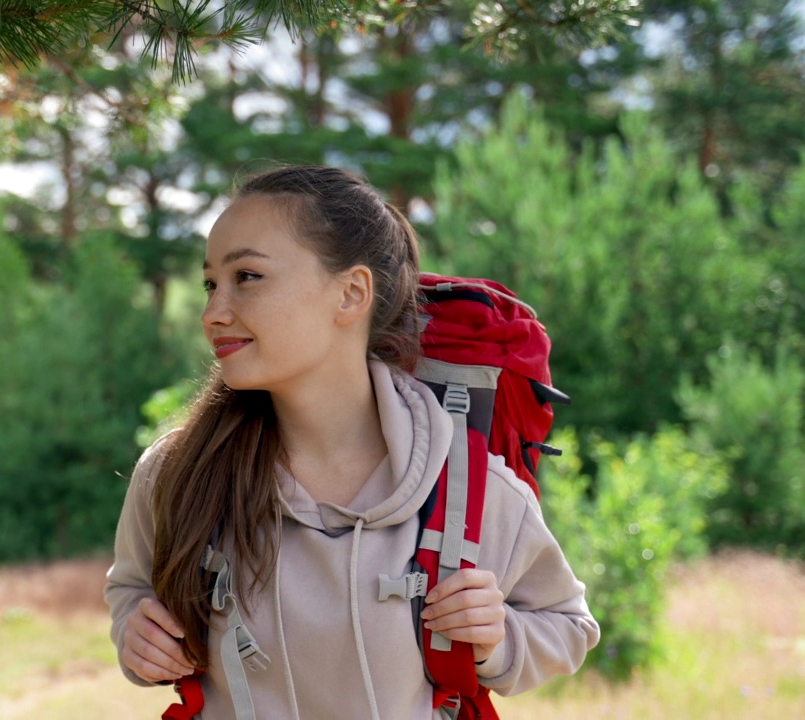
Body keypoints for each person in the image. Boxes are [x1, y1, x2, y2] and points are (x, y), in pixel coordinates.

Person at [104, 166, 599, 720]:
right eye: (210, 283)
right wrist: (134, 633)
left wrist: (497, 637)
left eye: (247, 276)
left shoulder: (465, 485)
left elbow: (568, 626)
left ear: (351, 294)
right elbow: (131, 592)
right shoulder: (175, 474)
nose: (213, 312)